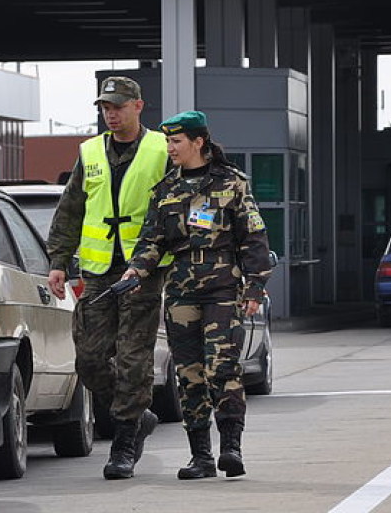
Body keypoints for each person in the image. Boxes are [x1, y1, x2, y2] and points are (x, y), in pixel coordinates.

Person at [122, 110, 272, 480]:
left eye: (176, 142)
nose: (170, 148)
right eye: (168, 141)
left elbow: (253, 237)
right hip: (181, 291)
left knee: (222, 368)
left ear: (198, 142)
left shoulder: (232, 183)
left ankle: (231, 448)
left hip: (222, 289)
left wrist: (254, 286)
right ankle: (200, 456)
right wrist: (135, 270)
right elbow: (151, 241)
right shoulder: (166, 190)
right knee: (189, 375)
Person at [46, 76, 169, 480]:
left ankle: (124, 443)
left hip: (143, 270)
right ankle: (138, 413)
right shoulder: (90, 152)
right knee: (90, 359)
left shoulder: (160, 149)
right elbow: (70, 209)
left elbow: (177, 207)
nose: (110, 114)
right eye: (105, 108)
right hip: (98, 272)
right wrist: (59, 261)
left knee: (134, 359)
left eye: (117, 106)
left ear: (138, 106)